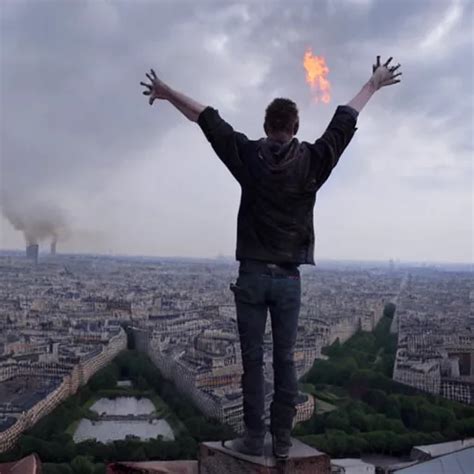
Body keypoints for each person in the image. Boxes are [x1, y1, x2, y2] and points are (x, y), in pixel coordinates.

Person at [140, 55, 402, 459]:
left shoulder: (248, 156)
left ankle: (252, 436)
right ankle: (281, 440)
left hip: (251, 276)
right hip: (289, 280)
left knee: (251, 362)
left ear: (266, 127)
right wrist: (375, 82)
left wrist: (167, 91)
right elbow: (345, 121)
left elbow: (207, 119)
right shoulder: (314, 161)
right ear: (295, 128)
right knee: (285, 362)